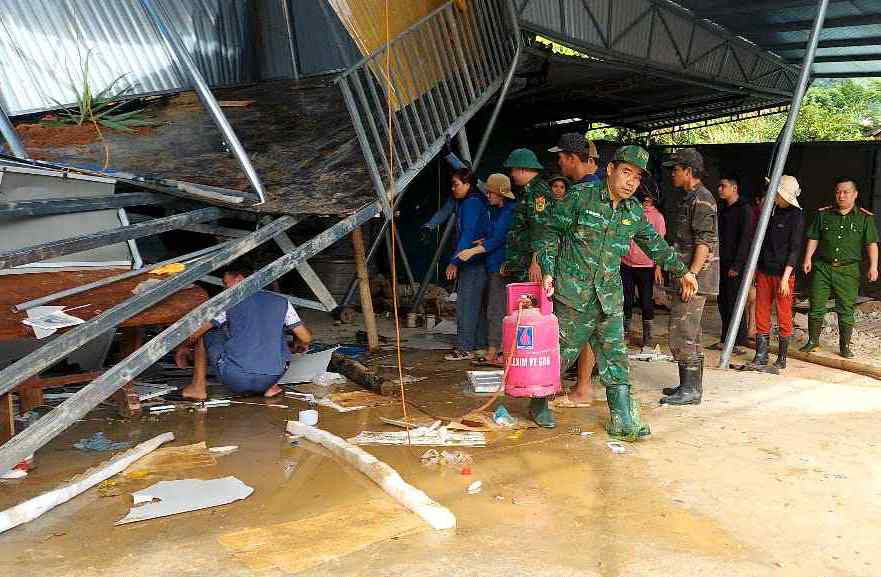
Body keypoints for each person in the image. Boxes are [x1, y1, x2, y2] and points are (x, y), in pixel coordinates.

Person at [537, 145, 698, 439]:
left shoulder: (633, 211)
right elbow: (549, 232)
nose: (630, 182)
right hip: (574, 295)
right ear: (610, 169)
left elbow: (655, 244)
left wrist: (683, 271)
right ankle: (538, 402)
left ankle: (623, 417)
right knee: (561, 354)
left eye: (636, 177)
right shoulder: (580, 197)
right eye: (626, 172)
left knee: (615, 356)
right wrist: (547, 269)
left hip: (609, 297)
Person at [175, 263, 313, 400]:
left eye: (225, 284)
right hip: (271, 377)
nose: (224, 289)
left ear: (239, 279)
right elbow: (305, 338)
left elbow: (197, 333)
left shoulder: (228, 302)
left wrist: (184, 347)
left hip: (235, 378)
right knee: (275, 331)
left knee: (207, 333)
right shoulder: (282, 301)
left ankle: (197, 388)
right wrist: (298, 342)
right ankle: (271, 387)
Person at [543, 134, 603, 409]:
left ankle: (570, 389)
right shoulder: (594, 190)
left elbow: (557, 234)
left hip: (580, 280)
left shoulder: (584, 193)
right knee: (589, 333)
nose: (558, 163)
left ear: (571, 158)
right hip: (595, 280)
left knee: (571, 335)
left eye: (560, 157)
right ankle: (582, 387)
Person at [659, 148, 719, 406]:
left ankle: (692, 390)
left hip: (694, 279)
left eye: (676, 169)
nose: (673, 173)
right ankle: (688, 385)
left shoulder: (702, 199)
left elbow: (704, 243)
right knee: (690, 332)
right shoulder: (691, 197)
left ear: (689, 171)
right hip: (688, 276)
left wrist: (691, 276)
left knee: (682, 331)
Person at [801, 178, 879, 358]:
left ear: (855, 194)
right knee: (816, 305)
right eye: (838, 192)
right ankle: (813, 341)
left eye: (846, 192)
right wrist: (807, 258)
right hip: (823, 267)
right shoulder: (824, 214)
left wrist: (874, 266)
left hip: (848, 270)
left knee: (845, 309)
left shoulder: (864, 218)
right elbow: (814, 237)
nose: (841, 195)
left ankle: (844, 346)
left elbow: (871, 244)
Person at [456, 173, 516, 366]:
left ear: (500, 193)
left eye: (490, 193)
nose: (488, 196)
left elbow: (498, 239)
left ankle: (494, 352)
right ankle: (495, 349)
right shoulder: (498, 210)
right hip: (494, 265)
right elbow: (495, 235)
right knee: (493, 308)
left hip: (501, 267)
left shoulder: (508, 212)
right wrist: (483, 241)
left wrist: (472, 251)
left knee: (496, 310)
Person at [748, 175, 804, 370]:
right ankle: (761, 354)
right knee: (761, 311)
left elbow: (795, 248)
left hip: (783, 274)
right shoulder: (769, 211)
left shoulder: (796, 215)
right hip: (764, 270)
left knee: (783, 313)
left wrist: (786, 278)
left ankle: (782, 357)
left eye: (777, 193)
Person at [444, 167, 491, 361]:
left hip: (472, 261)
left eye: (456, 185)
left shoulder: (471, 204)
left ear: (468, 184)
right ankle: (479, 344)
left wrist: (454, 261)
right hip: (480, 260)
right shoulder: (476, 202)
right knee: (477, 305)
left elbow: (467, 235)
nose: (453, 189)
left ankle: (465, 347)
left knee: (467, 304)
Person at [620, 178, 666, 348]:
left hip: (646, 267)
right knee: (626, 300)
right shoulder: (632, 213)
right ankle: (624, 333)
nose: (647, 201)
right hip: (626, 264)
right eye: (644, 198)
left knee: (647, 302)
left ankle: (648, 337)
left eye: (650, 198)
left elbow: (660, 243)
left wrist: (658, 267)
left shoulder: (658, 218)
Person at [712, 173, 753, 354]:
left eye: (723, 186)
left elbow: (746, 240)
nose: (720, 189)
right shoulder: (723, 208)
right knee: (722, 301)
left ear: (734, 188)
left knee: (735, 302)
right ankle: (725, 338)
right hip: (721, 262)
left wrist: (737, 265)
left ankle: (739, 341)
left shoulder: (744, 209)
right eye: (719, 186)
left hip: (735, 265)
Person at [503, 148, 550, 283]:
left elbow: (541, 229)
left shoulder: (538, 193)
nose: (511, 174)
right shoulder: (528, 191)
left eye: (512, 170)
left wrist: (536, 262)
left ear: (522, 169)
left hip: (530, 266)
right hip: (522, 263)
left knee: (529, 303)